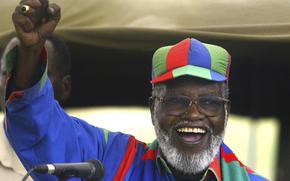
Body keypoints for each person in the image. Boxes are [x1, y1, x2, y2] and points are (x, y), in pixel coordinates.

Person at [4, 0, 266, 180]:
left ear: (226, 111)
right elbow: (42, 128)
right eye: (176, 100)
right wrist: (29, 52)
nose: (194, 114)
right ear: (153, 108)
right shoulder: (114, 161)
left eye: (209, 102)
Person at [0, 36, 72, 180]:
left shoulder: (90, 160)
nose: (17, 84)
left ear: (64, 88)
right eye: (6, 73)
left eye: (35, 75)